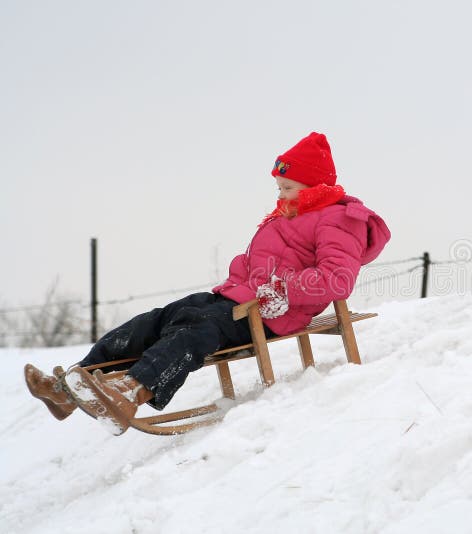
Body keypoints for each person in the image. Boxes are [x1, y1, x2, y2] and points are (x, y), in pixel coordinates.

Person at [24, 132, 391, 435]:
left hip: (273, 312)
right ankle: (73, 385)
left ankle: (133, 391)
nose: (279, 194)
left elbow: (338, 279)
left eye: (288, 187)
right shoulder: (288, 216)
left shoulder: (341, 220)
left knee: (195, 330)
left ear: (313, 185)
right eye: (279, 186)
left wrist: (279, 288)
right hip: (239, 296)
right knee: (160, 318)